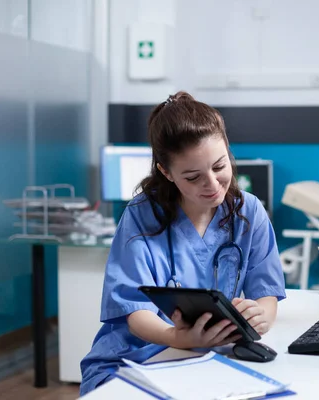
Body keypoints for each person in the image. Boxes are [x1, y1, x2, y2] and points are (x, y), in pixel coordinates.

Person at [79, 91, 287, 395]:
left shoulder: (248, 211)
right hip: (135, 359)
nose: (213, 185)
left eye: (219, 166)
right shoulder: (141, 216)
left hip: (206, 356)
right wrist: (178, 338)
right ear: (166, 172)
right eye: (193, 177)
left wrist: (260, 317)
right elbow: (133, 310)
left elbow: (265, 291)